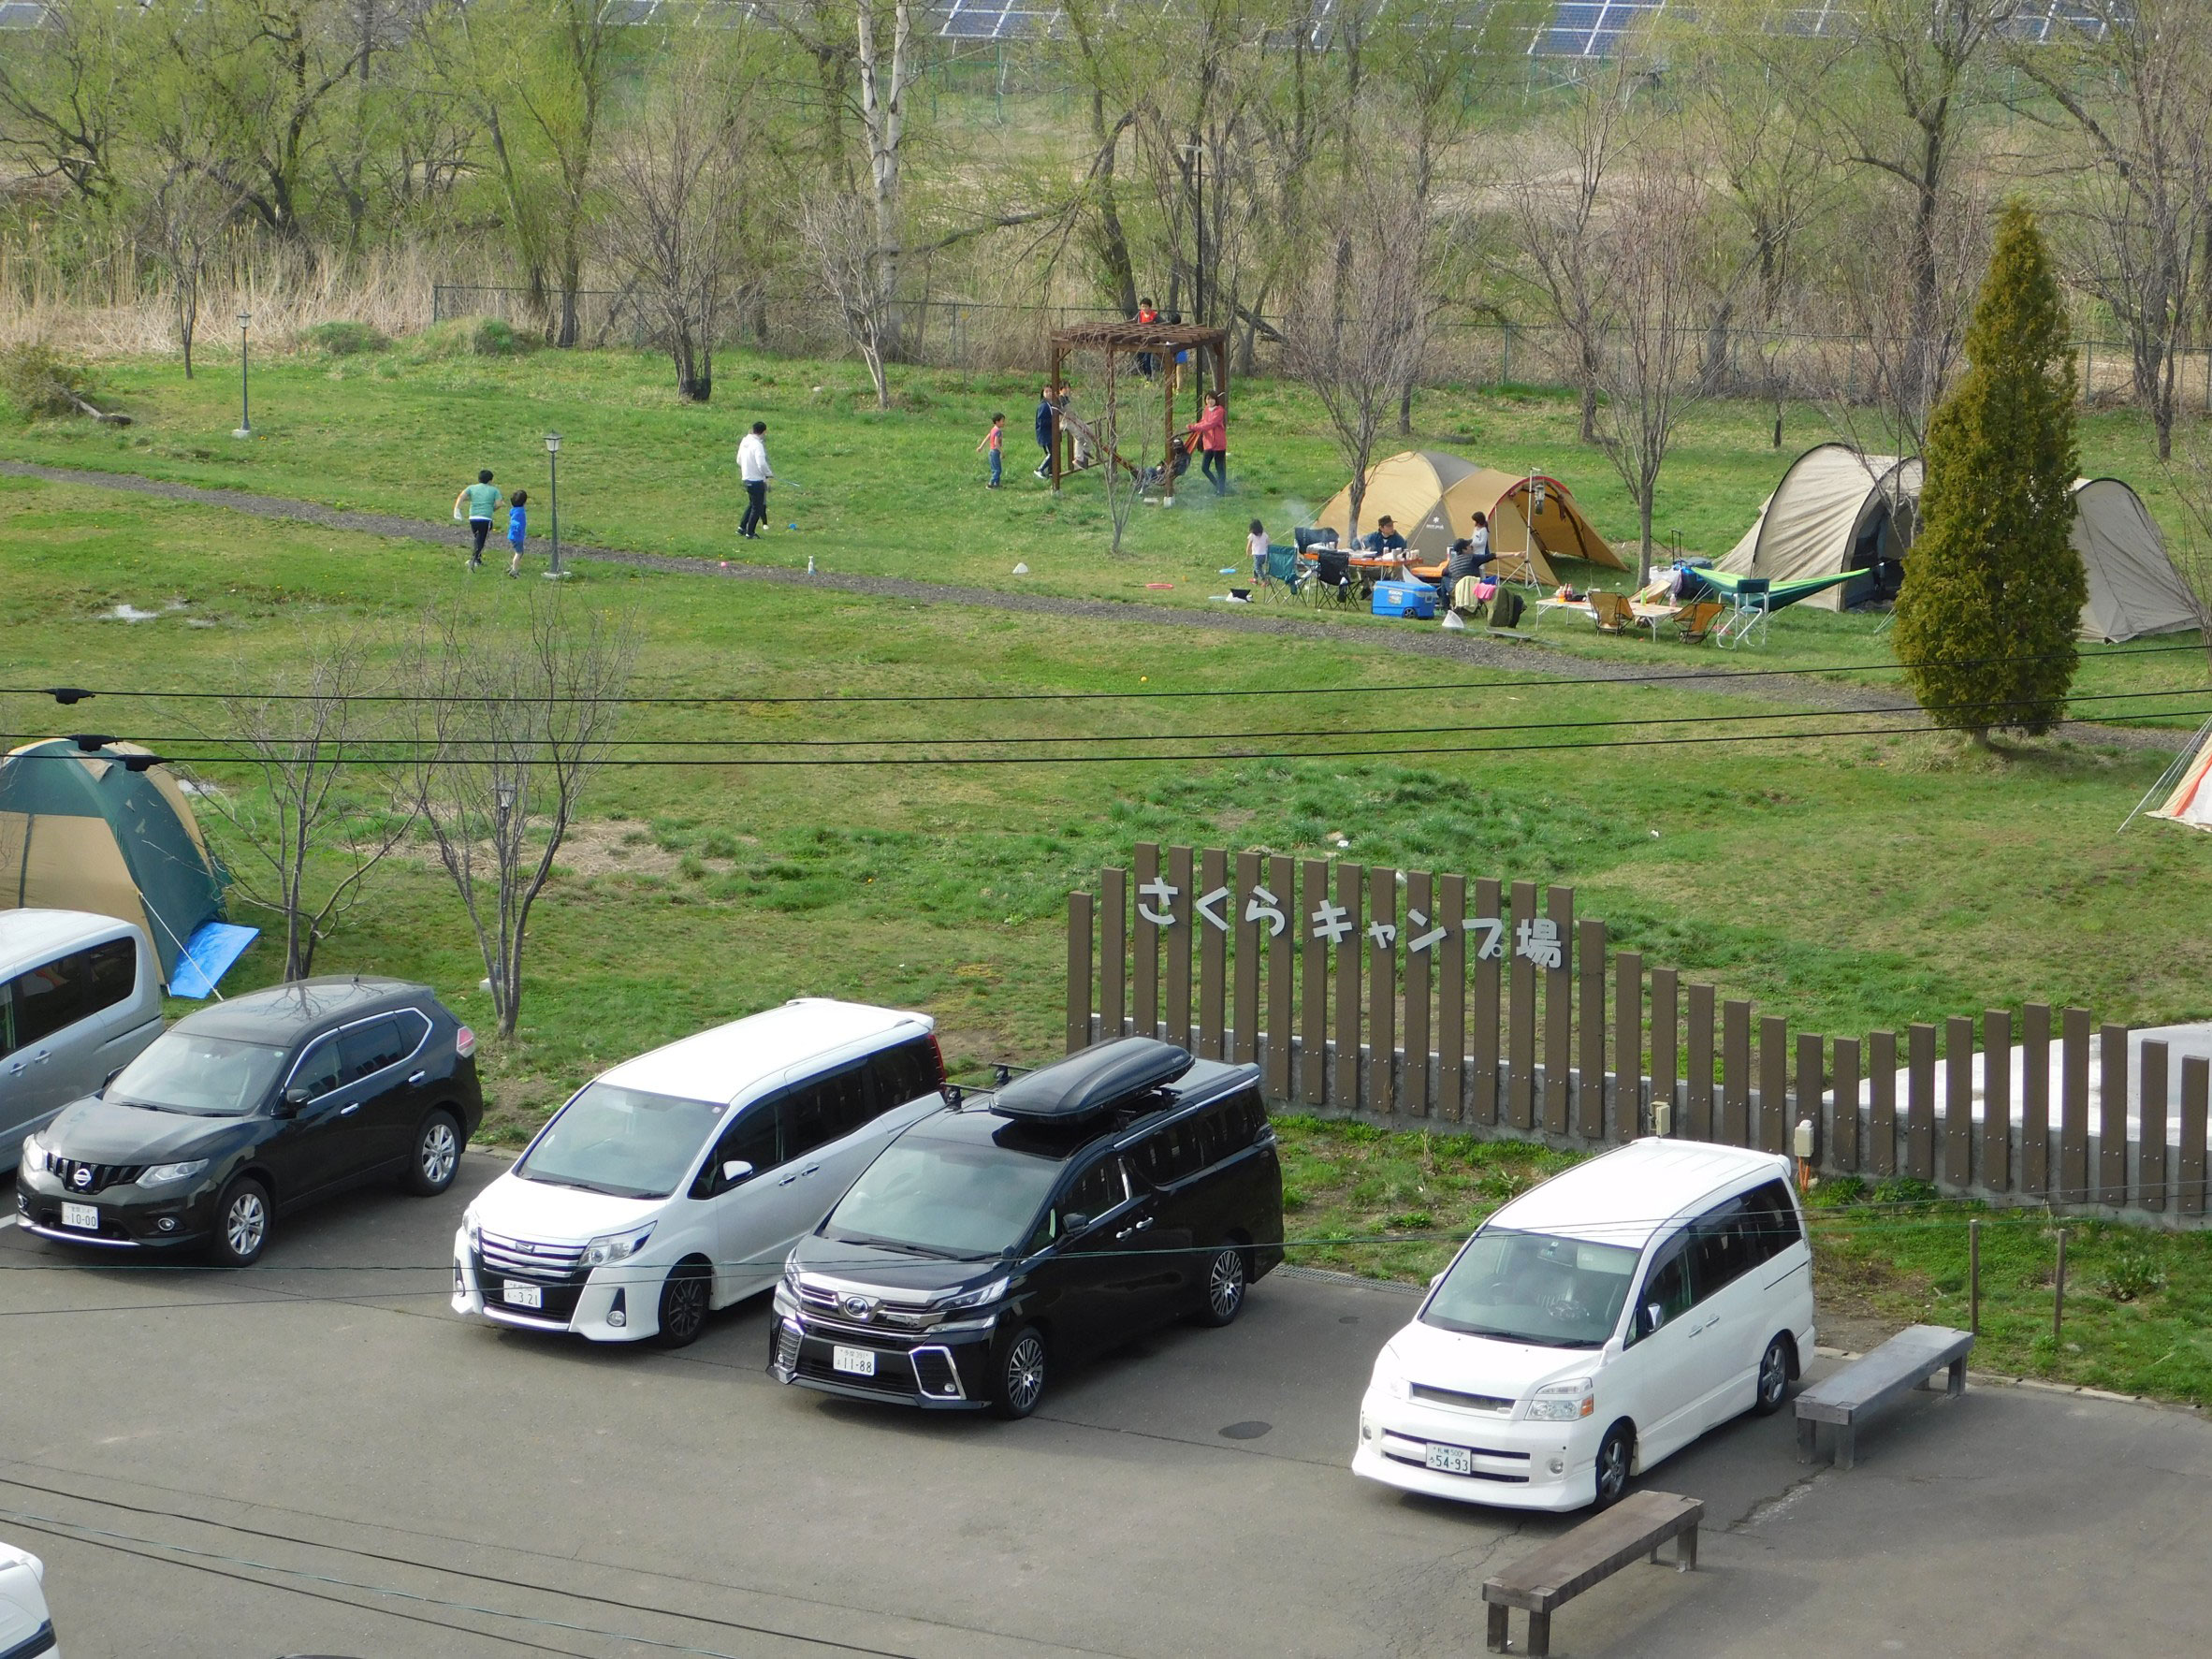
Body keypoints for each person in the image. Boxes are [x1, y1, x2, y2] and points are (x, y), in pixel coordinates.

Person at [454, 470, 500, 569]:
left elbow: (461, 497)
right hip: (486, 518)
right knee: (481, 539)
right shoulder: (494, 490)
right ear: (490, 480)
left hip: (473, 518)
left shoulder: (471, 488)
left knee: (478, 538)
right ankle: (474, 560)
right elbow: (499, 503)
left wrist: (457, 509)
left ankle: (477, 559)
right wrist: (492, 509)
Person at [1187, 391, 1228, 495]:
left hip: (1219, 444)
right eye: (1208, 399)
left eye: (1212, 399)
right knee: (1204, 468)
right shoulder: (1206, 410)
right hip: (1208, 443)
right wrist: (1194, 426)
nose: (1210, 401)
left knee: (1219, 467)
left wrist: (1194, 426)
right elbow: (1203, 422)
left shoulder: (1220, 411)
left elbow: (1210, 424)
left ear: (1216, 400)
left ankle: (1221, 490)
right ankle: (1218, 485)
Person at [737, 421, 772, 540]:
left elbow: (739, 460)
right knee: (757, 507)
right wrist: (768, 473)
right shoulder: (757, 445)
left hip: (746, 478)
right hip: (756, 480)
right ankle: (750, 532)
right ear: (763, 432)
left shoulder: (745, 441)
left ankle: (741, 527)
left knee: (752, 504)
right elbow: (761, 463)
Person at [503, 488, 529, 578]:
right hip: (517, 536)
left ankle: (514, 566)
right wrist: (518, 527)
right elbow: (514, 521)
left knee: (520, 552)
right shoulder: (520, 512)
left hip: (514, 535)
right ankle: (514, 570)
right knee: (519, 553)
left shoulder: (514, 510)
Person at [977, 412, 1005, 488]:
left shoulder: (993, 430)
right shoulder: (998, 431)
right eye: (1002, 421)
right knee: (998, 470)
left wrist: (981, 447)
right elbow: (996, 443)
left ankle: (997, 484)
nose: (1003, 423)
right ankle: (990, 484)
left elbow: (987, 438)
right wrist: (1002, 452)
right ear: (997, 422)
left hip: (991, 452)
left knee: (994, 469)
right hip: (995, 452)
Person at [1034, 386, 1056, 480]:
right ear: (1043, 393)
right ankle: (1040, 469)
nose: (1049, 393)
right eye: (1046, 391)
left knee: (1054, 452)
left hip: (1051, 434)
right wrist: (1054, 422)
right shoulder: (1043, 406)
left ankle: (1051, 472)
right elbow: (1041, 421)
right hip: (1045, 435)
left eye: (1050, 391)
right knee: (1051, 453)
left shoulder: (1050, 404)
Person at [1135, 296, 1159, 377]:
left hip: (1150, 341)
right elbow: (1133, 322)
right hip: (1141, 340)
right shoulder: (1139, 314)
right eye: (1142, 306)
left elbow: (1162, 324)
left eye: (1145, 306)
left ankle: (1149, 377)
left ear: (1150, 307)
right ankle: (1145, 376)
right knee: (1140, 358)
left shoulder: (1155, 316)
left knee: (1147, 359)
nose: (1144, 308)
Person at [1247, 518, 1269, 582]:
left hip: (1257, 555)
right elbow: (1269, 543)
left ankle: (1264, 580)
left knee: (1257, 568)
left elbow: (1249, 545)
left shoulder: (1252, 536)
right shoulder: (1264, 534)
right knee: (1255, 566)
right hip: (1264, 555)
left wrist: (1247, 552)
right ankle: (1255, 579)